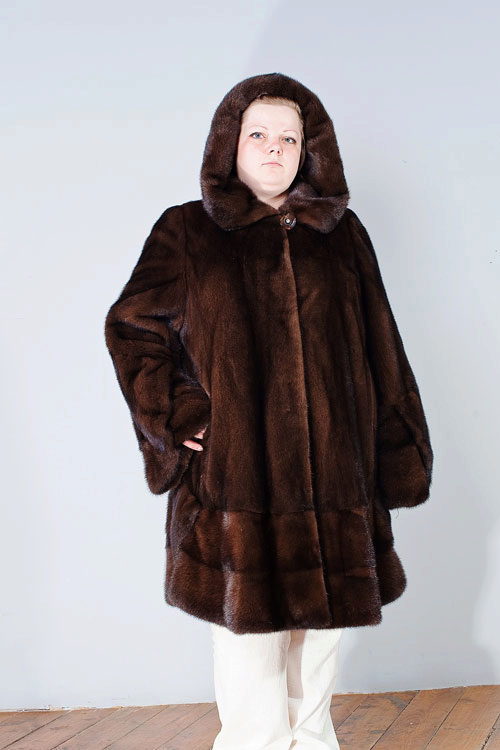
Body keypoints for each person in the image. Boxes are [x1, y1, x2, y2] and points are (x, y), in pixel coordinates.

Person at [104, 72, 434, 749]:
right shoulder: (186, 231)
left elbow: (383, 344)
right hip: (239, 476)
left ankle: (311, 743)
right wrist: (178, 414)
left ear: (310, 150)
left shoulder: (343, 236)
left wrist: (396, 447)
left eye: (289, 137)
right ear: (231, 144)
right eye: (259, 134)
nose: (274, 148)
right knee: (250, 641)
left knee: (319, 636)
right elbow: (132, 328)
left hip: (335, 473)